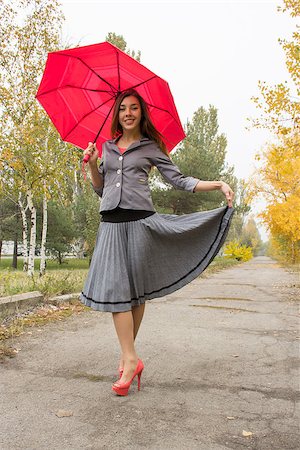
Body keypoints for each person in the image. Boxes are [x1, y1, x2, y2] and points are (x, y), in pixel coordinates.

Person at [80, 88, 235, 396]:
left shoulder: (151, 147)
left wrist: (217, 183)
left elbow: (179, 180)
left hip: (141, 223)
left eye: (134, 108)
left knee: (136, 294)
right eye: (123, 108)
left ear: (141, 113)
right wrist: (91, 166)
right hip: (111, 224)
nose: (128, 113)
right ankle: (131, 358)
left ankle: (128, 359)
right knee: (117, 291)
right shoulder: (107, 148)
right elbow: (101, 189)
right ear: (117, 114)